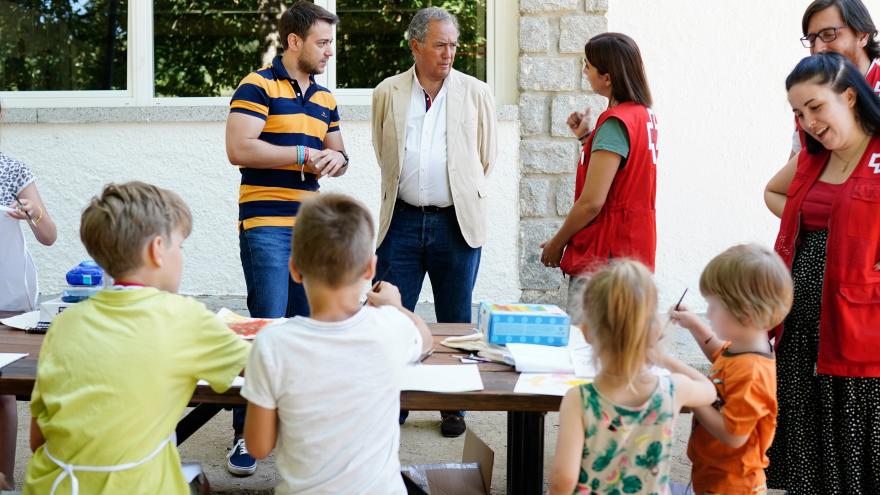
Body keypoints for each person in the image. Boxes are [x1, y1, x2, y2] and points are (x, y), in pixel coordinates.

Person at [22, 182, 250, 494]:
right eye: (180, 247)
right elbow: (264, 367)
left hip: (51, 484)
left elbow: (38, 440)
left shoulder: (64, 324)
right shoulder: (185, 317)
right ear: (157, 250)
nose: (181, 256)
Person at [224, 0, 347, 473]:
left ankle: (295, 430)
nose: (328, 51)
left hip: (311, 231)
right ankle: (244, 437)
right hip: (266, 227)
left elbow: (336, 152)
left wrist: (338, 160)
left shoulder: (325, 98)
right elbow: (239, 147)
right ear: (294, 41)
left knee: (305, 332)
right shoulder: (257, 85)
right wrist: (302, 154)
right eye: (322, 42)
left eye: (330, 43)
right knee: (266, 331)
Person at [241, 193, 431, 494]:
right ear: (370, 269)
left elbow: (258, 446)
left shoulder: (271, 345)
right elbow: (424, 336)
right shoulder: (389, 328)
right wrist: (395, 305)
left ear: (294, 268)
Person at [371, 6, 497, 437]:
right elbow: (383, 152)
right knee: (392, 314)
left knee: (456, 319)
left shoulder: (476, 92)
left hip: (455, 222)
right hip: (401, 220)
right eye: (440, 44)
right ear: (416, 45)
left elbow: (484, 156)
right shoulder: (387, 91)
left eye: (454, 45)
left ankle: (452, 405)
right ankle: (398, 400)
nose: (449, 53)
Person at [764, 52, 880, 493]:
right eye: (798, 113)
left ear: (849, 96)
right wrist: (818, 223)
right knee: (807, 449)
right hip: (802, 330)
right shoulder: (813, 158)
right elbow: (775, 192)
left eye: (815, 107)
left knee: (857, 442)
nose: (808, 122)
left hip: (861, 330)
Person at [547, 259, 716, 495]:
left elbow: (563, 480)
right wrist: (664, 359)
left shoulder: (579, 400)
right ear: (655, 331)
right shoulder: (673, 389)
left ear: (586, 333)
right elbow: (708, 389)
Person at [540, 32, 659, 312]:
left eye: (588, 66)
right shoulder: (643, 115)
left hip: (605, 257)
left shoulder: (616, 122)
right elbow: (622, 175)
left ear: (607, 77)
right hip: (633, 251)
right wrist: (586, 138)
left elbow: (593, 202)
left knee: (586, 349)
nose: (585, 71)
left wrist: (558, 243)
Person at [671, 244, 793, 495]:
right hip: (714, 474)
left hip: (733, 485)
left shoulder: (752, 372)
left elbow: (733, 435)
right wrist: (694, 324)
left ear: (745, 314)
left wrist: (694, 397)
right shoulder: (742, 349)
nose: (708, 313)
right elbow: (720, 353)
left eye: (713, 307)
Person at [0, 99, 56, 488]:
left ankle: (6, 479)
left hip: (8, 299)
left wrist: (32, 214)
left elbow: (49, 236)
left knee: (2, 394)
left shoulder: (12, 170)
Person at [790, 0, 880, 156]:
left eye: (829, 35)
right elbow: (799, 168)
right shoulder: (810, 96)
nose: (818, 49)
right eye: (812, 40)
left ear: (862, 35)